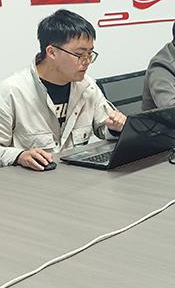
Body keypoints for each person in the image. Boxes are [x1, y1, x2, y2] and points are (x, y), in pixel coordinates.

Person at [0, 9, 126, 171]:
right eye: (80, 54)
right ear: (52, 52)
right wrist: (20, 156)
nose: (87, 61)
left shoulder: (87, 86)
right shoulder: (11, 91)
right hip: (32, 181)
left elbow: (104, 128)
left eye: (90, 53)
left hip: (77, 176)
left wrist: (115, 128)